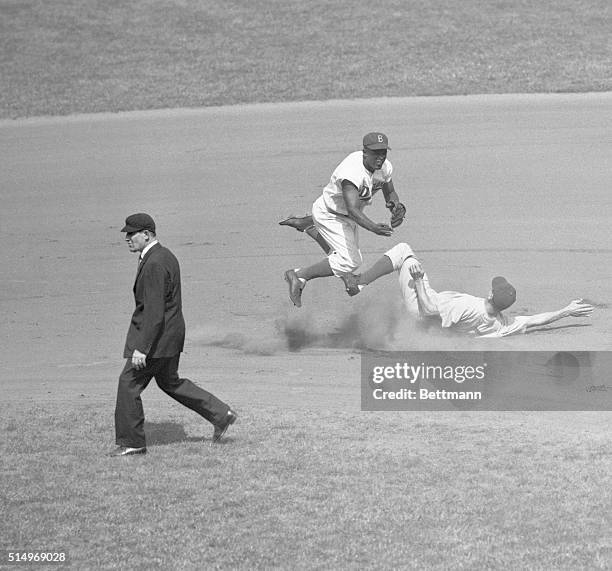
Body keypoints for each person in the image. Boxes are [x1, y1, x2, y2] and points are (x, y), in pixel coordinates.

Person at [111, 213, 237, 457]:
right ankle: (221, 414)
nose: (127, 238)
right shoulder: (164, 256)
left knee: (128, 385)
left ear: (146, 234)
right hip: (170, 336)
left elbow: (155, 310)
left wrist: (142, 347)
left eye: (131, 233)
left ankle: (132, 442)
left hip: (156, 340)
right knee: (170, 382)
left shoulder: (155, 263)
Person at [344, 242, 594, 337]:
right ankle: (393, 321)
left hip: (422, 308)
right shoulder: (501, 326)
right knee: (404, 305)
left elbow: (431, 309)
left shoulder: (467, 306)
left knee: (403, 252)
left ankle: (361, 282)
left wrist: (419, 280)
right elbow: (535, 321)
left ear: (490, 294)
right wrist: (566, 311)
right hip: (434, 321)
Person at [282, 132, 406, 308]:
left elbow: (390, 192)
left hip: (346, 219)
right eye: (375, 153)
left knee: (346, 260)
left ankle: (309, 227)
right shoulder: (351, 173)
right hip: (330, 216)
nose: (380, 158)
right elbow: (353, 210)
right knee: (350, 261)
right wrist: (373, 228)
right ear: (365, 152)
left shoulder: (384, 167)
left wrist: (395, 206)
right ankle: (299, 275)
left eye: (383, 153)